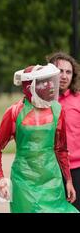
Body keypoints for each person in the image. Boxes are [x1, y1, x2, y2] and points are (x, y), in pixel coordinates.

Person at [0, 51, 80, 211]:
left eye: (50, 82)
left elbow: (60, 149)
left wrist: (68, 181)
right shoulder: (15, 112)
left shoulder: (57, 109)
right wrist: (0, 179)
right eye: (45, 82)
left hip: (52, 178)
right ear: (31, 86)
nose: (51, 86)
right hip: (23, 180)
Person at [46, 52, 80, 211]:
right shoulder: (41, 102)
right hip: (50, 169)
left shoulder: (78, 100)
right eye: (60, 71)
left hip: (76, 169)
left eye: (69, 72)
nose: (65, 76)